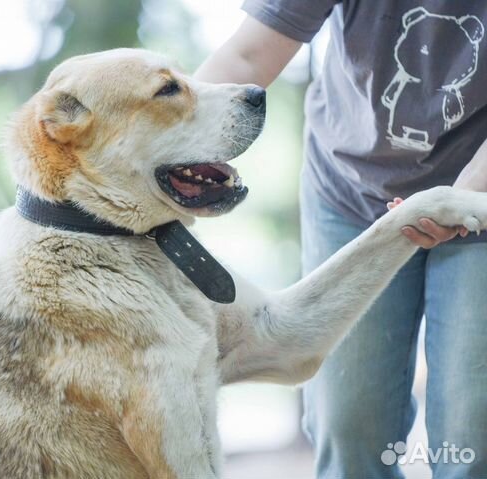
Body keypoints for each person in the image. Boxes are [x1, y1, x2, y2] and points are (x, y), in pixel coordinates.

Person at [196, 2, 487, 478]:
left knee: (472, 433)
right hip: (350, 190)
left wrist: (462, 199)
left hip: (479, 192)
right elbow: (248, 56)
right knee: (349, 425)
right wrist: (157, 160)